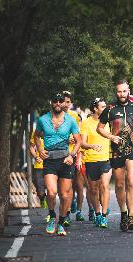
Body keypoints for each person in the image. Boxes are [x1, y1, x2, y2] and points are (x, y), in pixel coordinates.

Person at [34, 93, 81, 236]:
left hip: (65, 160)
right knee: (52, 192)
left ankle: (61, 223)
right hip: (50, 160)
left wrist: (72, 155)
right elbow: (36, 136)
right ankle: (52, 216)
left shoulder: (71, 120)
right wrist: (40, 149)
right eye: (56, 101)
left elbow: (78, 141)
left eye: (61, 101)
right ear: (51, 102)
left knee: (65, 195)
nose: (58, 103)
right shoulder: (42, 119)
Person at [97, 79, 133, 231]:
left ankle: (131, 216)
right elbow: (99, 128)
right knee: (120, 184)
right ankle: (123, 213)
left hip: (132, 150)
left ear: (129, 91)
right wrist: (111, 137)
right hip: (116, 151)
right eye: (119, 91)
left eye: (124, 91)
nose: (122, 94)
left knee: (132, 181)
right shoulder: (110, 109)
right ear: (116, 92)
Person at [81, 98, 112, 228]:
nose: (105, 108)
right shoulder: (86, 123)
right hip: (91, 159)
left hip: (106, 158)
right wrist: (92, 146)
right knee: (93, 190)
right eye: (102, 106)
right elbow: (82, 143)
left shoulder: (110, 121)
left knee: (105, 186)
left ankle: (104, 216)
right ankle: (98, 214)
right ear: (95, 108)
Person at [62, 91, 85, 224]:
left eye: (68, 102)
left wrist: (79, 156)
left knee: (79, 186)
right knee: (67, 186)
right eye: (63, 101)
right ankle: (68, 212)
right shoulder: (55, 117)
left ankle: (80, 211)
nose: (65, 104)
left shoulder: (74, 116)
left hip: (76, 154)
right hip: (62, 156)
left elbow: (80, 137)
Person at [29, 129, 47, 210]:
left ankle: (51, 212)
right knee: (40, 192)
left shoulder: (55, 131)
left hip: (51, 165)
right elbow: (31, 147)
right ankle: (42, 199)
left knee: (51, 190)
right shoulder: (36, 132)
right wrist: (36, 157)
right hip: (39, 166)